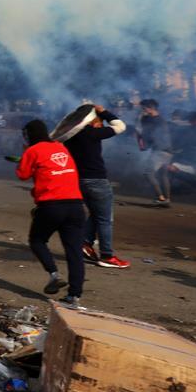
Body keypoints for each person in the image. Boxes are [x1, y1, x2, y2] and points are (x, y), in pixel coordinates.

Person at [15, 120, 85, 306]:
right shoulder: (60, 148)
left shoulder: (32, 150)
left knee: (37, 240)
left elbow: (22, 174)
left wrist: (24, 155)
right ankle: (74, 296)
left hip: (52, 206)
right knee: (74, 252)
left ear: (29, 135)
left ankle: (54, 274)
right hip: (76, 205)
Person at [63, 104, 130, 269]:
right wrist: (104, 112)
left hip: (79, 180)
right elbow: (120, 126)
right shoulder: (91, 133)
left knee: (97, 213)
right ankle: (107, 255)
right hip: (97, 181)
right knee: (105, 219)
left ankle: (85, 243)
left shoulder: (70, 136)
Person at [137, 99, 173, 206]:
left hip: (160, 151)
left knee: (149, 173)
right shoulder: (160, 119)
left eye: (143, 108)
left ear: (150, 108)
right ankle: (167, 199)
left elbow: (147, 134)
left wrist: (144, 145)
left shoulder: (154, 121)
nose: (142, 110)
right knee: (163, 175)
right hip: (168, 151)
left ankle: (161, 198)